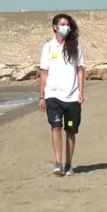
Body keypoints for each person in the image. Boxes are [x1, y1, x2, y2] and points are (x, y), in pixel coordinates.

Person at [38, 13, 85, 177]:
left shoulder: (75, 47)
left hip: (72, 96)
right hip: (53, 95)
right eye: (62, 24)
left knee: (70, 130)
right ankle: (58, 163)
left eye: (68, 24)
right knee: (56, 127)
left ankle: (68, 164)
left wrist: (81, 92)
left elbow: (80, 70)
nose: (66, 27)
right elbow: (44, 72)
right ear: (55, 27)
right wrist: (42, 96)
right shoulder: (48, 47)